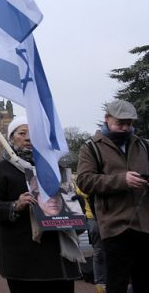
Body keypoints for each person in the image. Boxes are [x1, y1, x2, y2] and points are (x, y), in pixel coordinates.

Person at [0, 116, 81, 293]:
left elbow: (72, 211)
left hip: (58, 258)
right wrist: (14, 206)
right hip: (23, 259)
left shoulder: (55, 168)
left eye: (32, 133)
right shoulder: (0, 170)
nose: (28, 138)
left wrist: (75, 207)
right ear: (11, 138)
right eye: (22, 133)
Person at [77, 99, 149, 293]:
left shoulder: (143, 145)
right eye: (120, 123)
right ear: (107, 118)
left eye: (129, 123)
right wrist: (121, 180)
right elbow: (84, 181)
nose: (125, 128)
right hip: (115, 226)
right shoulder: (91, 147)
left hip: (144, 225)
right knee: (117, 283)